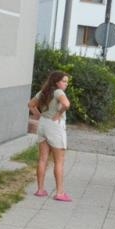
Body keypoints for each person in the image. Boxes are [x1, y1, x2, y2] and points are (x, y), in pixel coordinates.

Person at [28, 71, 72, 201]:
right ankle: (60, 193)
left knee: (43, 159)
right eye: (64, 81)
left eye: (67, 82)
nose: (66, 84)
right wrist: (59, 113)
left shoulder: (43, 92)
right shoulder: (58, 92)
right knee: (59, 161)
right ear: (56, 81)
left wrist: (38, 115)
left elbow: (30, 105)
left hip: (43, 125)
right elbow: (66, 104)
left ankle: (40, 189)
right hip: (55, 125)